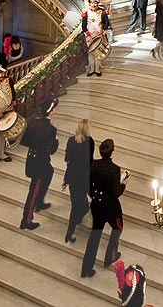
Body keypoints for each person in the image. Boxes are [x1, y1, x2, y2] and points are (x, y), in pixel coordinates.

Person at [80, 139, 127, 279]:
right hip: (111, 207)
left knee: (94, 236)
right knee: (118, 228)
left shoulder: (93, 165)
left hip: (96, 205)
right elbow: (116, 192)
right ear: (112, 151)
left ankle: (86, 269)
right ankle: (110, 256)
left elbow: (87, 185)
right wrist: (123, 184)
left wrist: (95, 195)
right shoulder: (114, 169)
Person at [19, 98, 60, 230]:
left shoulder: (33, 123)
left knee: (50, 172)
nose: (56, 110)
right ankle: (26, 221)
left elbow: (24, 142)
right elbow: (51, 150)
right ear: (51, 111)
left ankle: (40, 202)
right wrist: (55, 142)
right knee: (33, 191)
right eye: (54, 108)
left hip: (32, 157)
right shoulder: (51, 129)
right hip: (40, 162)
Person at [63, 118, 94, 244]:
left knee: (75, 203)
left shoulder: (71, 140)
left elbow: (66, 158)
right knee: (81, 204)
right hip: (84, 178)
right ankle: (72, 229)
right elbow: (89, 162)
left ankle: (76, 221)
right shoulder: (89, 142)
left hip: (72, 177)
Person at [81, 0, 112, 77]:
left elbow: (106, 23)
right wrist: (87, 35)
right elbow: (83, 25)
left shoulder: (102, 12)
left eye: (95, 3)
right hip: (90, 36)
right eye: (92, 3)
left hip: (99, 36)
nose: (94, 5)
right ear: (90, 4)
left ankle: (97, 69)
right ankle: (91, 70)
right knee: (91, 53)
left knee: (98, 53)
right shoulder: (86, 13)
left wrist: (103, 31)